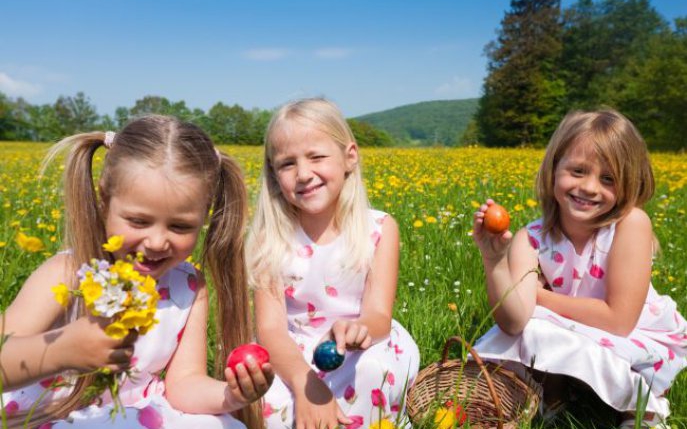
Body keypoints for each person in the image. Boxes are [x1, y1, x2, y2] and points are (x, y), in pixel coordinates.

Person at [0, 115, 274, 428]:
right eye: (139, 221)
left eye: (180, 226)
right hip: (53, 417)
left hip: (137, 415)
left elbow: (184, 384)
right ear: (105, 202)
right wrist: (62, 350)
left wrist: (233, 395)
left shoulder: (188, 286)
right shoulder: (68, 273)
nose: (157, 242)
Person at [471, 109, 686, 428]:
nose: (589, 187)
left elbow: (618, 322)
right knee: (532, 328)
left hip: (632, 336)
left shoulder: (630, 225)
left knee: (545, 320)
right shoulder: (530, 238)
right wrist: (495, 262)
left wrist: (539, 298)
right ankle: (554, 391)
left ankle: (638, 408)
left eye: (608, 179)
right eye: (578, 171)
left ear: (627, 184)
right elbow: (514, 322)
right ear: (554, 168)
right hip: (577, 326)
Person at [247, 98, 420, 429]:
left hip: (360, 342)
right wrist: (305, 383)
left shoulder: (380, 228)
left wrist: (358, 330)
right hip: (291, 350)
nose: (303, 174)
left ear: (349, 157)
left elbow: (379, 315)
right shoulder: (268, 239)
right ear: (273, 173)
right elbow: (270, 328)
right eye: (287, 164)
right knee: (267, 402)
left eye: (316, 157)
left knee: (373, 375)